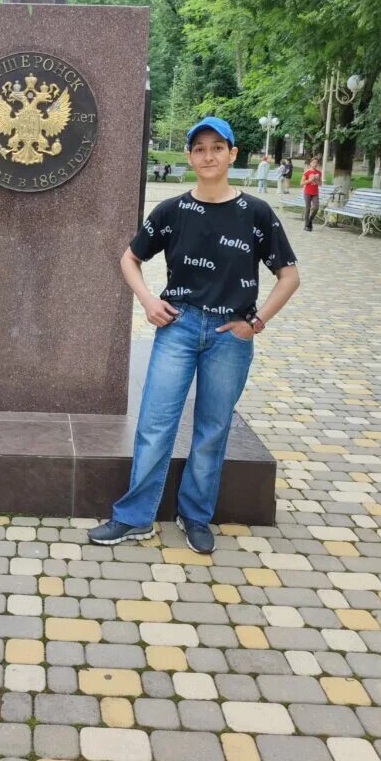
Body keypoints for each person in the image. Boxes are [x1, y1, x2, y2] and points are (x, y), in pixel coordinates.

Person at [89, 116, 300, 554]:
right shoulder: (173, 211)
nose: (208, 156)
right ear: (189, 156)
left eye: (217, 148)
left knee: (212, 428)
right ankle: (135, 517)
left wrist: (256, 322)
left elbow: (289, 276)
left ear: (232, 154)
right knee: (154, 423)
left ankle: (196, 516)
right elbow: (129, 259)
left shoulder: (256, 213)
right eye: (200, 149)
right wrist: (148, 301)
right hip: (179, 328)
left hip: (230, 335)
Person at [301, 155, 322, 230]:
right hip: (307, 192)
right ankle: (306, 225)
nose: (315, 164)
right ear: (310, 163)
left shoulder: (319, 172)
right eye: (313, 162)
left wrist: (317, 180)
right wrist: (310, 180)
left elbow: (320, 184)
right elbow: (301, 183)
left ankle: (310, 220)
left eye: (316, 163)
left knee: (316, 208)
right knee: (308, 208)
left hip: (315, 193)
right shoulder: (307, 172)